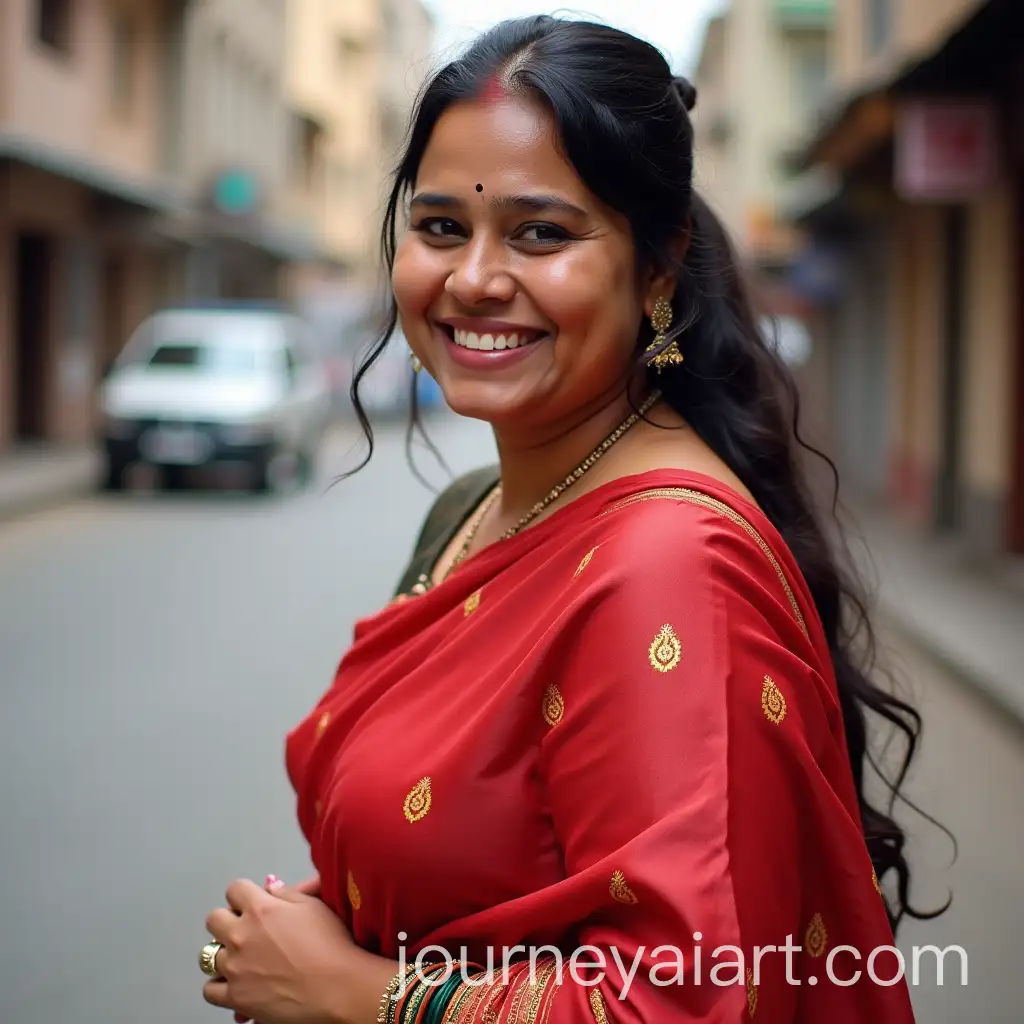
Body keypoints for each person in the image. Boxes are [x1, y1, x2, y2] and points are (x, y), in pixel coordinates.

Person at [198, 16, 943, 1023]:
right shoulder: (473, 510)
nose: (471, 280)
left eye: (540, 232)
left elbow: (678, 1003)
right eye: (440, 227)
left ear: (659, 265)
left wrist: (353, 992)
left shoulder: (669, 563)